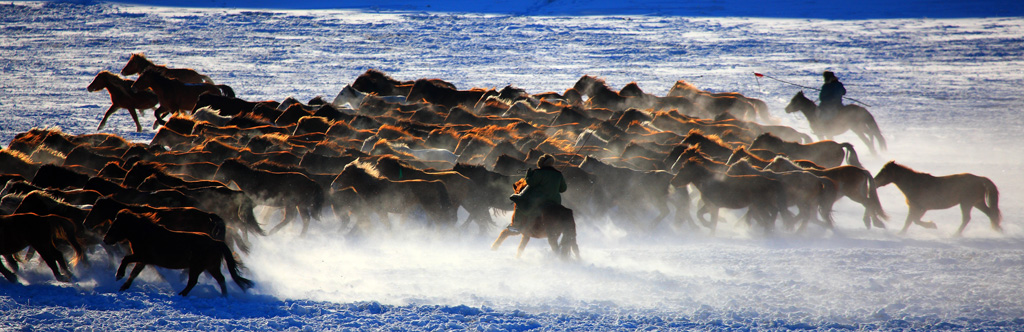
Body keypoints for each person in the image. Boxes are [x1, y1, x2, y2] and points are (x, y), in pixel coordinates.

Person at [508, 154, 567, 234]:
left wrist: (528, 175)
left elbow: (530, 182)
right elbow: (563, 189)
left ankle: (516, 226)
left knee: (519, 205)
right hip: (555, 201)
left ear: (541, 163)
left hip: (539, 201)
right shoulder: (558, 174)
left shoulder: (539, 173)